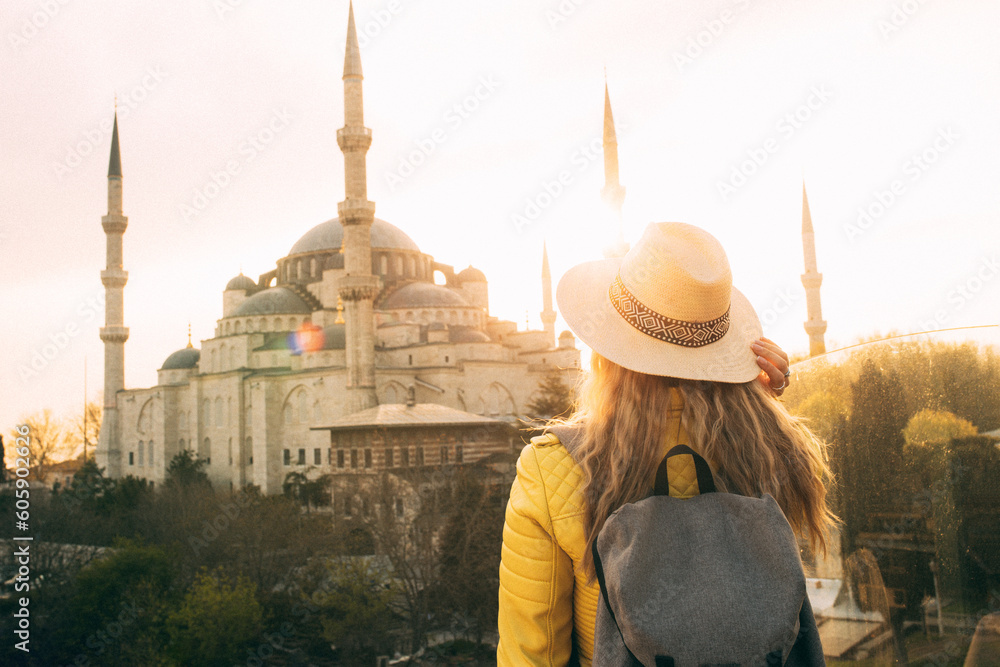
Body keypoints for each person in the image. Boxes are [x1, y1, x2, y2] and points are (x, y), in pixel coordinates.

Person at [497, 222, 836, 666]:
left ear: (606, 353)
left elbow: (532, 651)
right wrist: (762, 403)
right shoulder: (770, 449)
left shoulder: (550, 467)